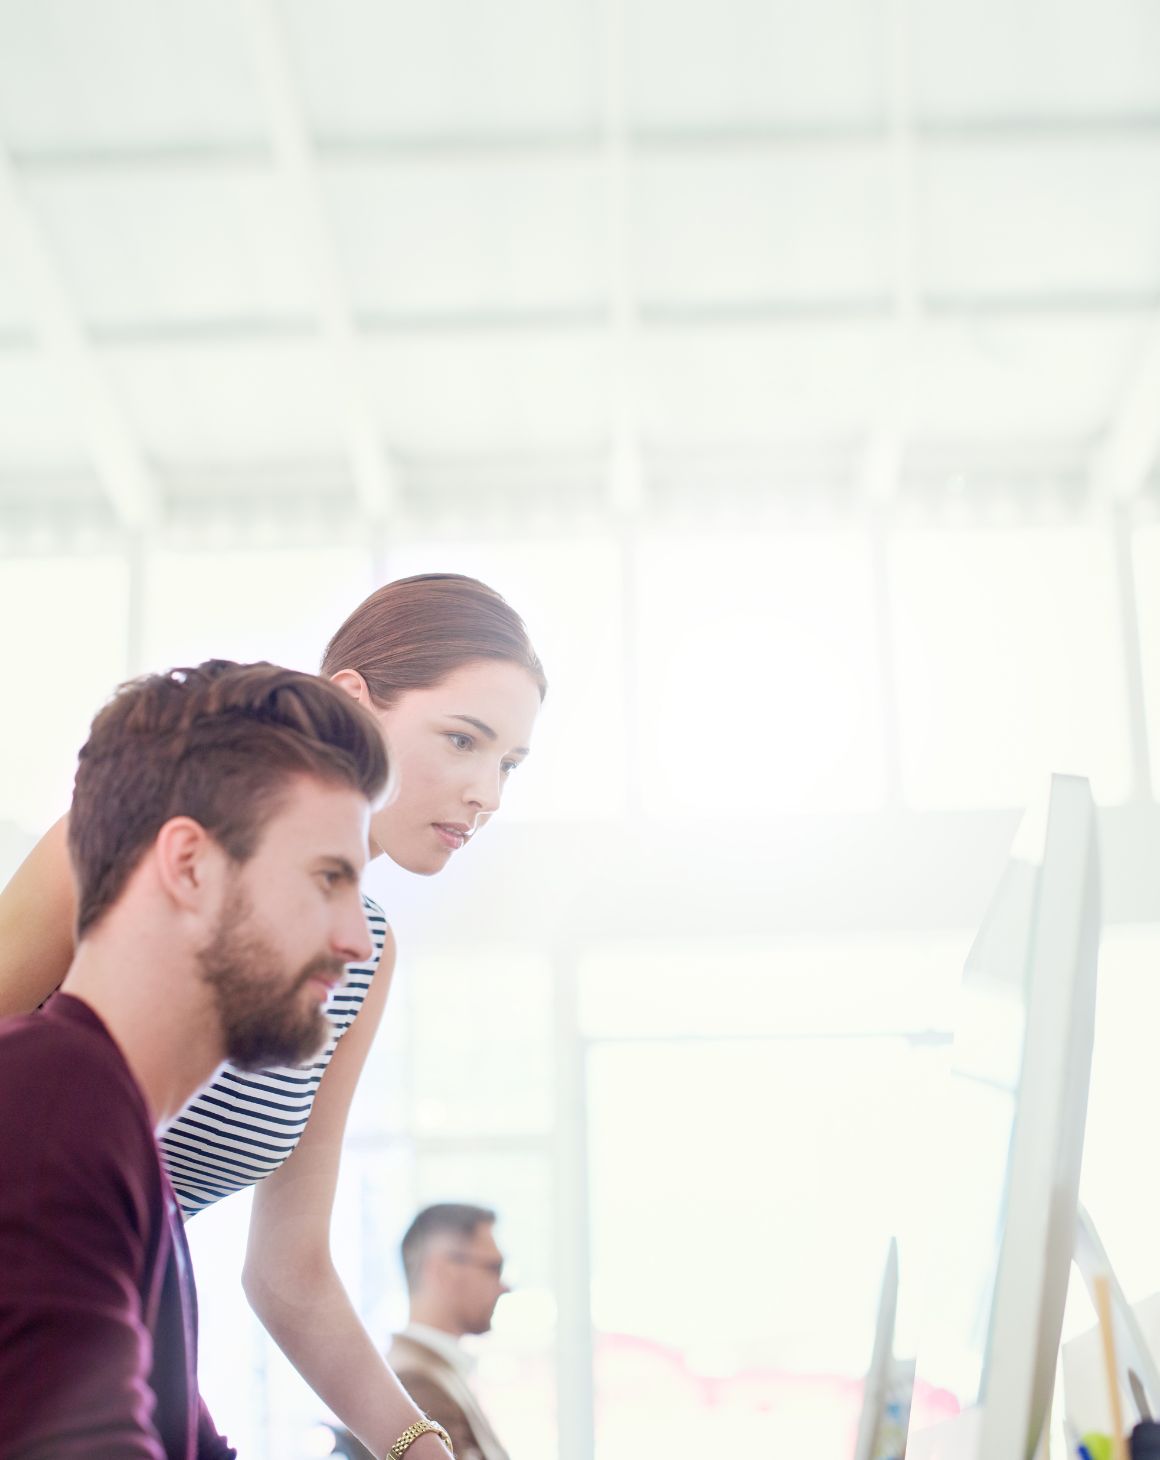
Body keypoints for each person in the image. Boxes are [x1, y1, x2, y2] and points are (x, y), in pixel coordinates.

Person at [0, 574, 546, 1458]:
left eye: (509, 765)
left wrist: (416, 1445)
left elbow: (290, 1269)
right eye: (462, 740)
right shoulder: (129, 841)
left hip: (138, 1324)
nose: (487, 792)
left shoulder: (361, 948)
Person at [0, 659, 418, 1458]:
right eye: (328, 878)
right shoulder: (52, 1111)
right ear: (188, 864)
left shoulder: (128, 1154)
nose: (356, 941)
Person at [341, 1205, 513, 1460]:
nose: (504, 1287)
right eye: (493, 1267)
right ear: (444, 1269)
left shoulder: (432, 1372)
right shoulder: (415, 1385)